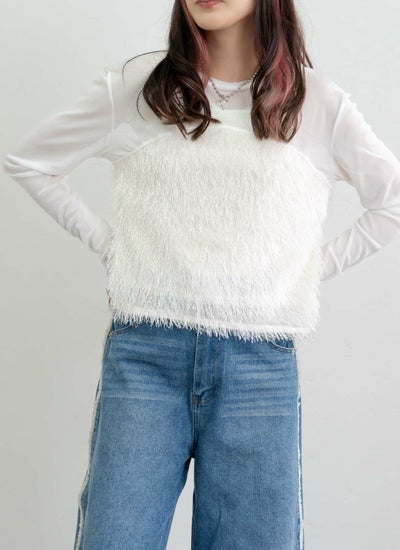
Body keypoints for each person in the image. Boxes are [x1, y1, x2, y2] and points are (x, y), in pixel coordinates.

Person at [3, 1, 400, 548]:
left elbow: (390, 203)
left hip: (258, 367)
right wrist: (118, 252)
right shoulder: (139, 87)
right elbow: (30, 162)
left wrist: (300, 275)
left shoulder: (316, 102)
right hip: (145, 356)